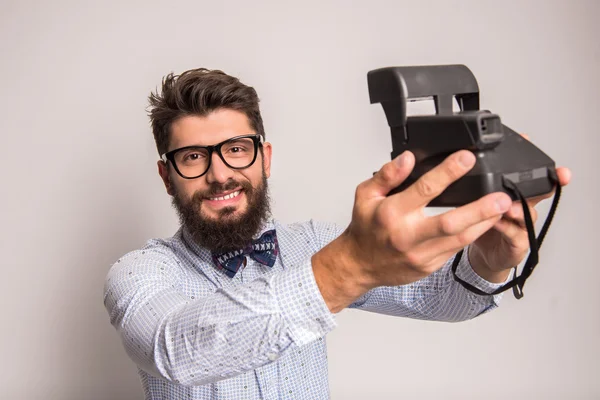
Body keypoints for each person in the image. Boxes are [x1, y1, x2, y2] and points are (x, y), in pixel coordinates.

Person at [103, 68, 571, 399]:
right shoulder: (138, 273)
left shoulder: (313, 244)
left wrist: (488, 261)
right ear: (167, 176)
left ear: (265, 158)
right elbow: (175, 351)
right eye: (192, 157)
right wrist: (346, 268)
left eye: (236, 149)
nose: (220, 174)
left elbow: (441, 296)